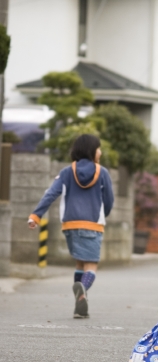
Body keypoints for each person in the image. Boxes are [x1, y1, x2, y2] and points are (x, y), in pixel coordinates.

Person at [28, 134, 114, 319]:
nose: (100, 151)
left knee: (79, 263)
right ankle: (83, 289)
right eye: (98, 148)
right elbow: (109, 200)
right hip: (92, 225)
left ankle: (79, 305)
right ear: (92, 150)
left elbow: (51, 193)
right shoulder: (103, 173)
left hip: (70, 225)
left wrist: (36, 215)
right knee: (91, 266)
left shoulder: (67, 172)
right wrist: (103, 214)